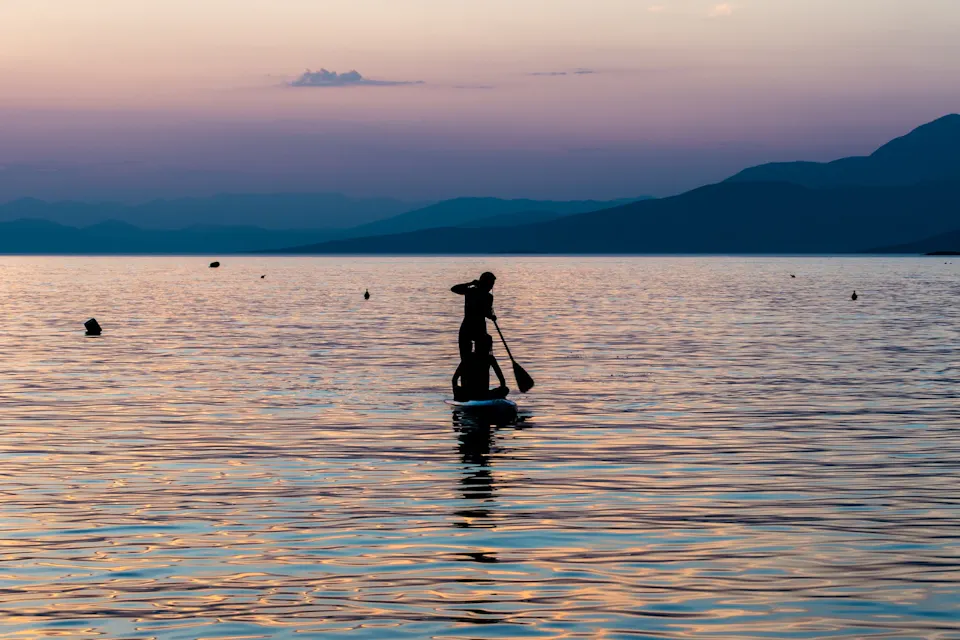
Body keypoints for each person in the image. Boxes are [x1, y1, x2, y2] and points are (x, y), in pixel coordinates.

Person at [451, 272, 497, 361]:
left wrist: (491, 316)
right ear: (484, 283)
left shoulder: (487, 296)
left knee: (481, 359)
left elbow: (486, 312)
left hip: (478, 329)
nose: (491, 287)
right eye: (491, 284)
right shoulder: (471, 291)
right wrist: (470, 283)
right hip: (468, 328)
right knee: (466, 359)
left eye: (492, 285)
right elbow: (454, 289)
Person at [452, 334, 509, 401]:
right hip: (469, 394)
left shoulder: (489, 358)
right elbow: (454, 379)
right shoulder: (469, 358)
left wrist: (502, 394)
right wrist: (457, 396)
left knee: (505, 389)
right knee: (457, 389)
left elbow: (502, 380)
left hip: (483, 393)